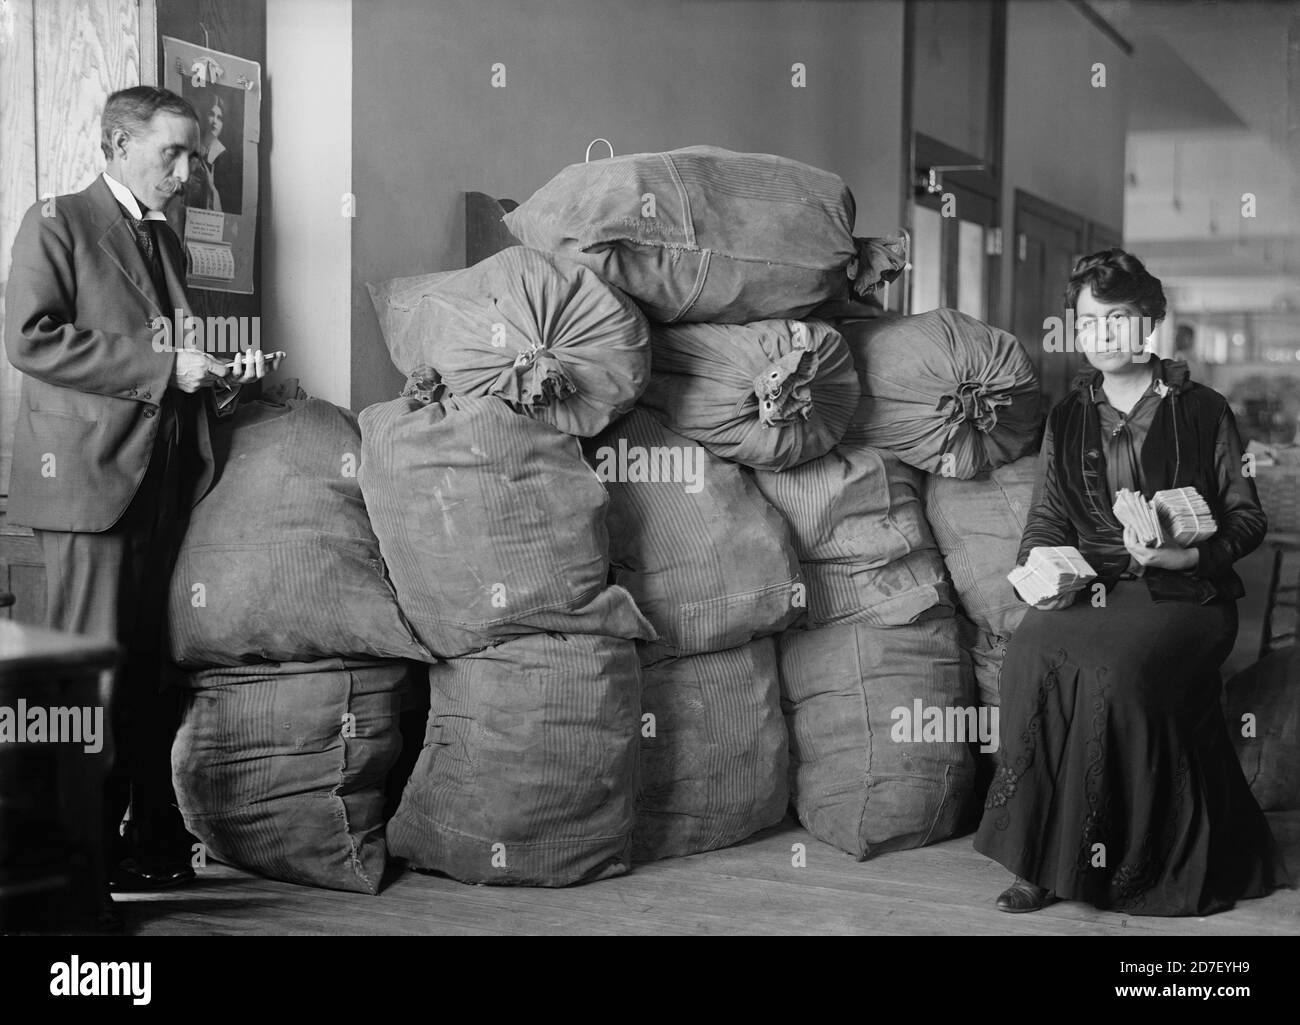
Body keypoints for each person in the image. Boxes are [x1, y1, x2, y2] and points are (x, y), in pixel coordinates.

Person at [4, 86, 274, 901]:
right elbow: (30, 338)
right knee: (90, 684)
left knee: (150, 676)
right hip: (86, 488)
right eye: (173, 154)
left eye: (195, 155)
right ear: (118, 145)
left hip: (158, 484)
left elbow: (175, 367)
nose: (189, 172)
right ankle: (69, 887)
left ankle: (138, 846)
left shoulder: (168, 243)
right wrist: (165, 368)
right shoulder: (55, 221)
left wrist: (221, 380)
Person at [974, 248, 1291, 916]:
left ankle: (1121, 864)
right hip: (1096, 586)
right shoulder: (1067, 416)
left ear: (1148, 320)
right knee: (1030, 652)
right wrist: (1039, 572)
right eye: (1090, 324)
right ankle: (1041, 861)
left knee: (1116, 672)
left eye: (1119, 320)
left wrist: (1185, 558)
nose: (1104, 337)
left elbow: (1247, 518)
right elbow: (1047, 521)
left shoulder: (1203, 409)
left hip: (1187, 595)